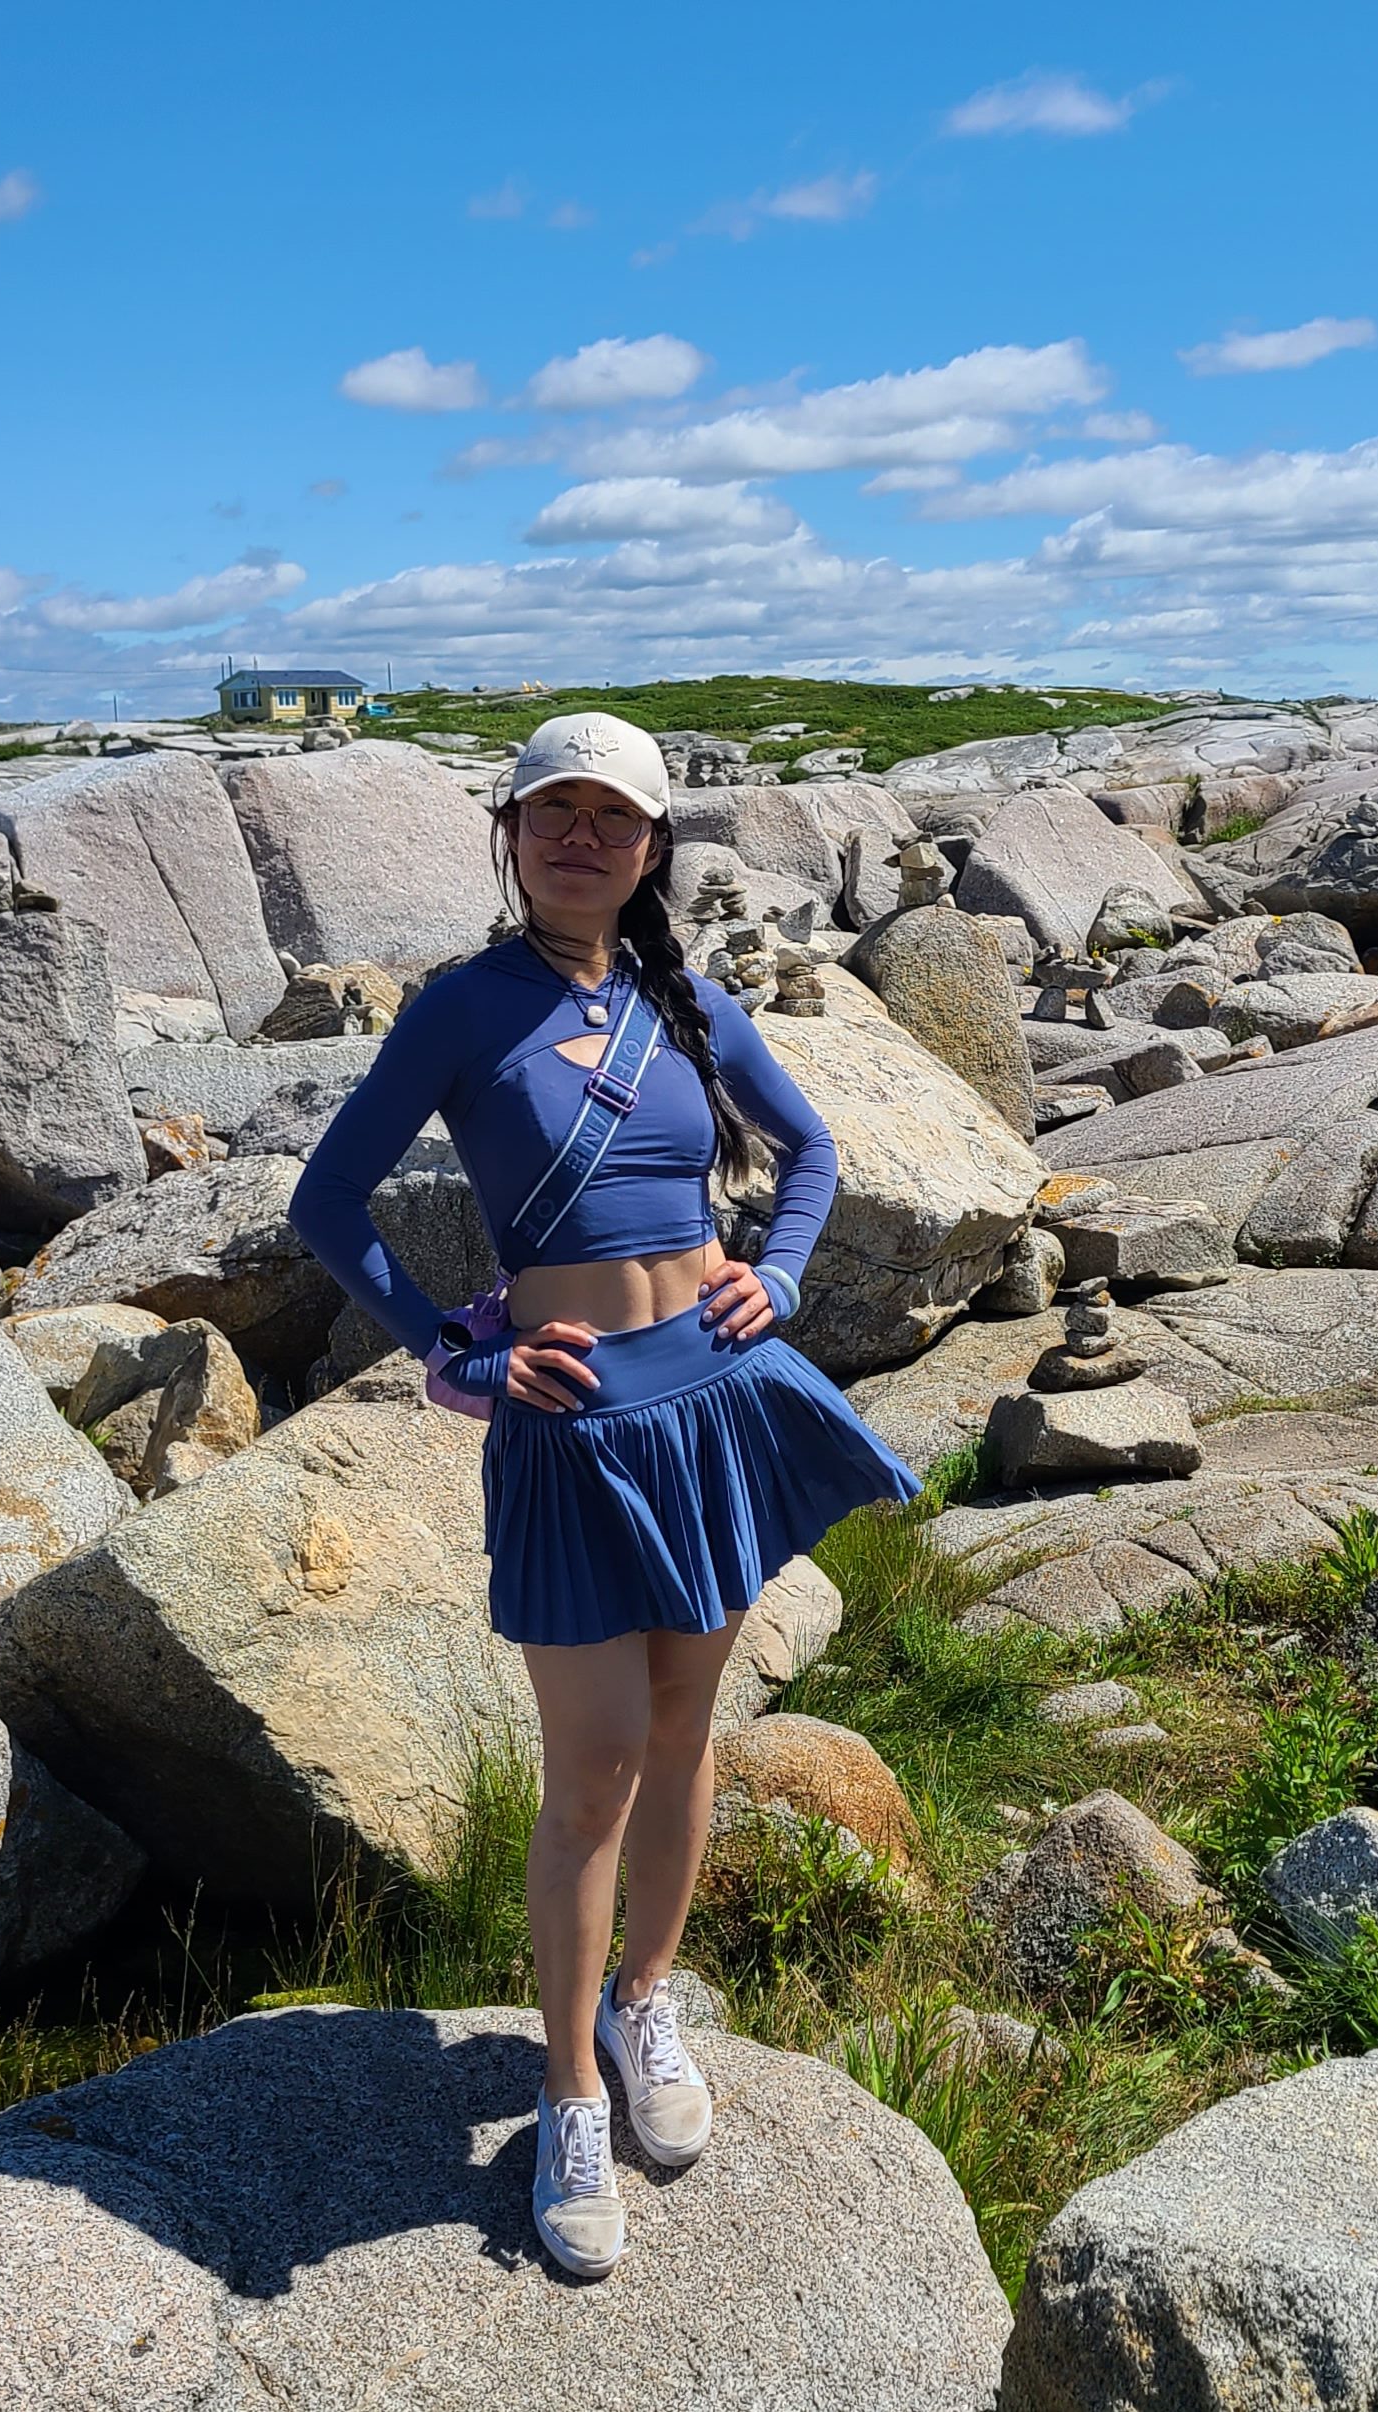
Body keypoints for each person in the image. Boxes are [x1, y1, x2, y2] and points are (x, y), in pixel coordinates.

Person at [288, 710, 919, 2278]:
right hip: (572, 1418)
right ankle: (569, 2089)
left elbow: (814, 1148)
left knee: (692, 1728)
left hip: (709, 1396)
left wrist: (774, 1272)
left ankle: (647, 2000)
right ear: (509, 835)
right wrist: (458, 1353)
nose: (583, 837)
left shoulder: (685, 998)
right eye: (552, 811)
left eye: (613, 817)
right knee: (596, 1766)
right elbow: (327, 1201)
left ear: (652, 846)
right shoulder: (461, 1008)